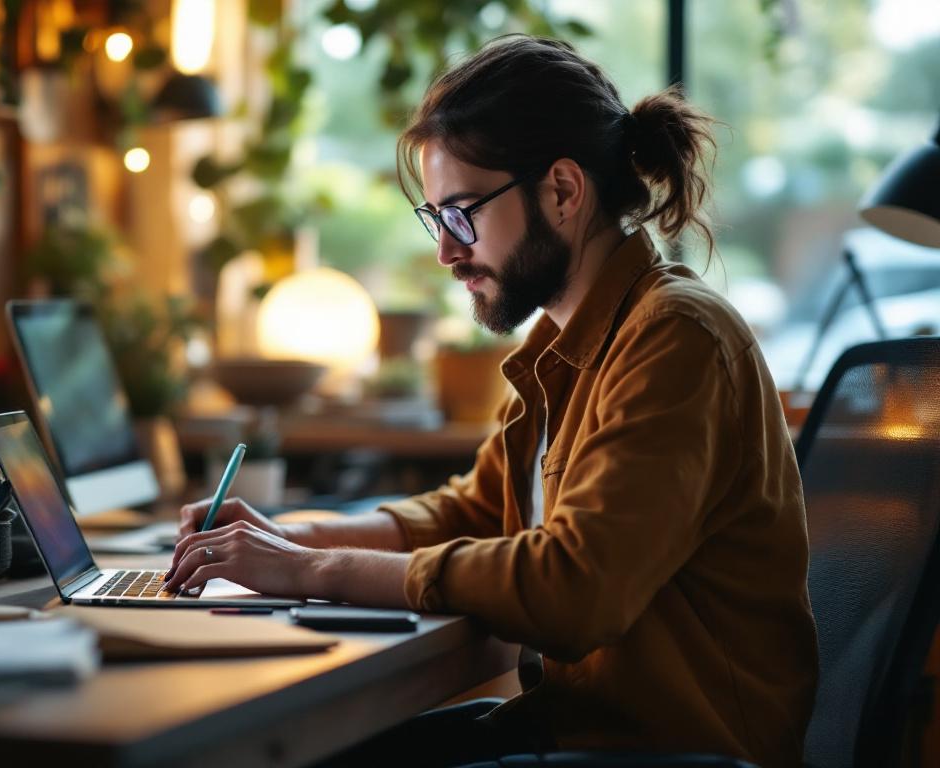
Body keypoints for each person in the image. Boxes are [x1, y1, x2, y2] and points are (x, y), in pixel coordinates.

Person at [165, 35, 817, 767]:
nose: (446, 251)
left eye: (461, 213)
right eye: (436, 219)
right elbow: (470, 513)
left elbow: (574, 589)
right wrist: (289, 540)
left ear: (563, 192)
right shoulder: (562, 350)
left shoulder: (675, 340)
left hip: (665, 753)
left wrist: (313, 572)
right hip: (574, 731)